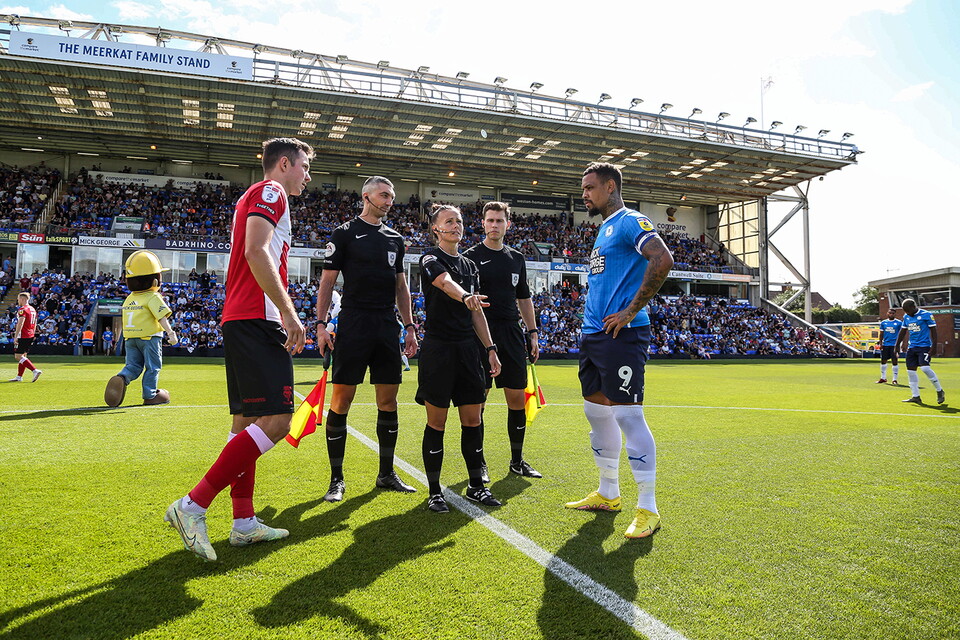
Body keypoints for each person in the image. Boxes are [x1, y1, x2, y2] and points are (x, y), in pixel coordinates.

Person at [164, 137, 312, 561]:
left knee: (246, 421)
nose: (307, 175)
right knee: (279, 421)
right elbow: (255, 250)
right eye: (304, 166)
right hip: (257, 318)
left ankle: (244, 522)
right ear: (284, 164)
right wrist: (289, 312)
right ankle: (192, 505)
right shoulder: (272, 191)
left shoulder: (259, 194)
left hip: (242, 317)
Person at [564, 162, 674, 540]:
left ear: (610, 187)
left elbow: (663, 259)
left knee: (628, 416)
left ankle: (649, 508)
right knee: (595, 411)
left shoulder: (630, 221)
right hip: (594, 335)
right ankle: (608, 492)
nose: (585, 194)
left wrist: (630, 311)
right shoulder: (603, 230)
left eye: (590, 187)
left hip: (622, 335)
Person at [314, 176, 419, 502]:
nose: (389, 200)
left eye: (391, 196)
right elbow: (328, 282)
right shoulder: (344, 234)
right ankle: (336, 479)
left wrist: (410, 326)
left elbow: (402, 287)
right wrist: (319, 325)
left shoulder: (395, 239)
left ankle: (386, 474)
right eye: (384, 195)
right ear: (366, 196)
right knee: (341, 401)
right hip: (354, 323)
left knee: (388, 401)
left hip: (387, 325)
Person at [417, 204, 502, 513]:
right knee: (436, 423)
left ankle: (476, 486)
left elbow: (477, 311)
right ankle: (435, 491)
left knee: (473, 419)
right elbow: (444, 283)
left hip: (468, 351)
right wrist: (464, 295)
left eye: (459, 221)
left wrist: (490, 349)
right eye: (449, 221)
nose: (456, 225)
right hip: (439, 350)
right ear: (436, 229)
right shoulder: (430, 258)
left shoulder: (470, 266)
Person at [463, 202, 542, 481]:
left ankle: (517, 461)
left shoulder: (516, 258)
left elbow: (524, 298)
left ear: (508, 224)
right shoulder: (470, 257)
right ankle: (479, 463)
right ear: (483, 223)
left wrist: (532, 333)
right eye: (490, 220)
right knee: (477, 402)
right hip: (481, 333)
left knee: (517, 400)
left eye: (499, 220)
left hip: (511, 333)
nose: (494, 225)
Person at [104, 251, 179, 407]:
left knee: (133, 365)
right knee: (153, 366)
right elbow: (161, 317)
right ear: (154, 279)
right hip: (150, 337)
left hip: (130, 338)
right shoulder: (153, 297)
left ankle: (123, 377)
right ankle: (150, 395)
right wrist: (171, 333)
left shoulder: (129, 298)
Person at [895, 298, 945, 405]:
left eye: (908, 310)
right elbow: (902, 331)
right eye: (905, 311)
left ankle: (939, 391)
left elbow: (934, 331)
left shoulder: (926, 314)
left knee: (925, 368)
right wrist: (897, 346)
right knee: (911, 371)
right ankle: (915, 396)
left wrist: (934, 346)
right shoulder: (906, 317)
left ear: (914, 307)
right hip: (912, 347)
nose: (907, 313)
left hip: (924, 346)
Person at [9, 292, 42, 382]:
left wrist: (16, 336)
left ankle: (35, 370)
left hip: (23, 335)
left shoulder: (22, 309)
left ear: (23, 299)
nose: (18, 300)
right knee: (23, 356)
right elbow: (35, 323)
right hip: (30, 334)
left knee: (18, 356)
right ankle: (19, 376)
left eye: (18, 299)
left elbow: (21, 322)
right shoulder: (32, 309)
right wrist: (33, 333)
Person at [876, 308, 902, 384]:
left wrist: (901, 344)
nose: (891, 314)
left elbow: (902, 334)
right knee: (883, 361)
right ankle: (883, 378)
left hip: (894, 345)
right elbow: (881, 334)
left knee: (894, 361)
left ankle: (894, 379)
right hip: (885, 344)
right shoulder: (884, 323)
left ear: (895, 314)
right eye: (890, 313)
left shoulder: (899, 323)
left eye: (893, 313)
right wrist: (880, 343)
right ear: (887, 313)